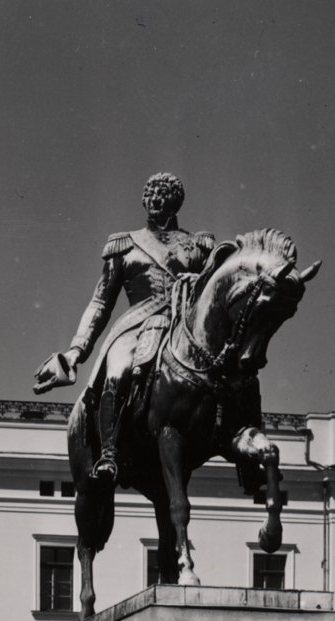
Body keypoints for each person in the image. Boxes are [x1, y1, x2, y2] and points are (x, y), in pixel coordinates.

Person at [32, 171, 217, 484]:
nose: (154, 199)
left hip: (181, 328)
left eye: (162, 193)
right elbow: (101, 302)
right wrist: (76, 350)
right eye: (150, 193)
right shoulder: (125, 245)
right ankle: (109, 453)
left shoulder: (198, 245)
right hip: (136, 326)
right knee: (117, 373)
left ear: (176, 201)